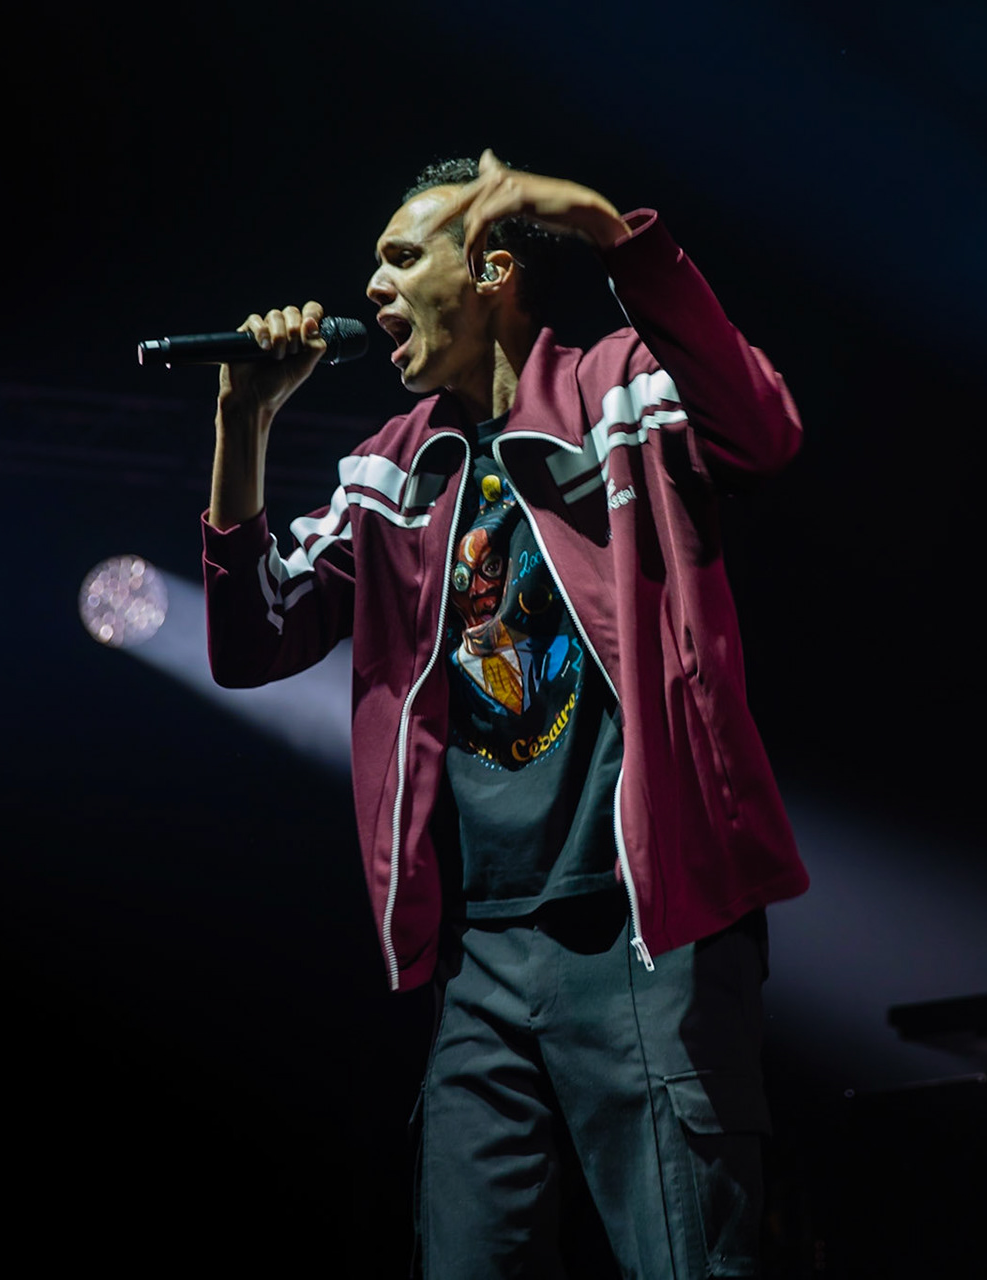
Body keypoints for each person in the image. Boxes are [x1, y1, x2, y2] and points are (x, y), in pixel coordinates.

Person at [201, 150, 808, 1277]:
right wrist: (244, 424)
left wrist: (605, 230)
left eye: (399, 256)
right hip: (485, 959)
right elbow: (252, 639)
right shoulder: (390, 468)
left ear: (488, 269)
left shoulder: (620, 388)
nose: (372, 286)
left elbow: (762, 431)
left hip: (646, 927)